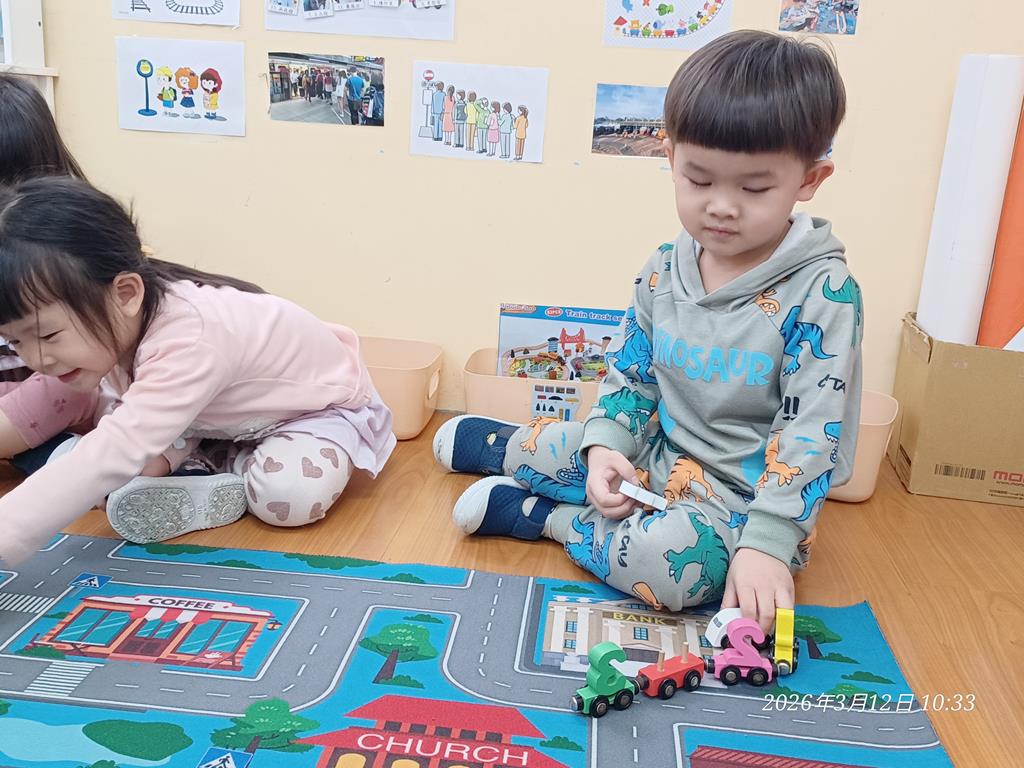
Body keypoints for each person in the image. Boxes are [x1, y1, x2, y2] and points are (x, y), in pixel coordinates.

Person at [432, 30, 862, 630]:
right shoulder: (663, 267)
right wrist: (608, 446)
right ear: (671, 158)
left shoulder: (825, 293)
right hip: (655, 453)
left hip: (739, 505)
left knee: (669, 571)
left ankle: (545, 517)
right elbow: (632, 374)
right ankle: (507, 447)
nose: (721, 206)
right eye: (699, 180)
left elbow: (812, 433)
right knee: (575, 444)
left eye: (754, 188)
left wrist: (768, 543)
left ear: (810, 180)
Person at [0, 177, 396, 567]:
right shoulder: (121, 328)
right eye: (15, 341)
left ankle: (216, 470)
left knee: (288, 496)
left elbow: (115, 448)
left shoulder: (190, 338)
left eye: (48, 335)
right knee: (117, 471)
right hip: (207, 419)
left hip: (310, 412)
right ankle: (200, 465)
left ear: (126, 294)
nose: (36, 359)